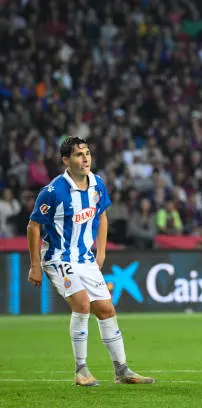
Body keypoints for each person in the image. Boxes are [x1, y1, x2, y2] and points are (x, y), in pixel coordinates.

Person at [26, 137, 154, 386]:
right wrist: (34, 266)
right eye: (77, 155)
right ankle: (81, 370)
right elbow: (33, 227)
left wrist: (101, 252)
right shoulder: (52, 192)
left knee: (107, 310)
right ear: (65, 160)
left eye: (86, 153)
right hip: (58, 257)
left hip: (85, 258)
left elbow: (102, 216)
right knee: (83, 304)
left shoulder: (97, 184)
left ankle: (122, 370)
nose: (84, 158)